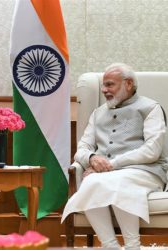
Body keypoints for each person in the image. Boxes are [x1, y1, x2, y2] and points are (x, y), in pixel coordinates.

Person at [61, 63, 168, 249]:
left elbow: (152, 150)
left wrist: (111, 164)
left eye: (110, 85)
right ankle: (110, 245)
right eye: (103, 85)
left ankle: (132, 245)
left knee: (117, 181)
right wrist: (93, 158)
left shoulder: (151, 108)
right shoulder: (97, 114)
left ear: (128, 84)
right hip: (105, 174)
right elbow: (83, 148)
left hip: (145, 172)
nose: (104, 90)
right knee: (90, 182)